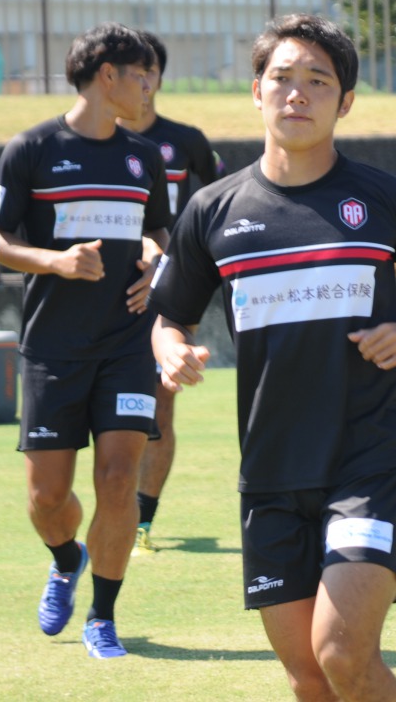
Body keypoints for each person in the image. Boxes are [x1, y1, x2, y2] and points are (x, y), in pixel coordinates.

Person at [151, 14, 396, 701]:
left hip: (368, 458)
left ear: (345, 101)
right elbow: (169, 316)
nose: (297, 93)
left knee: (342, 652)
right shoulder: (212, 210)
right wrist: (172, 350)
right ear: (256, 91)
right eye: (282, 78)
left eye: (318, 81)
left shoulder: (387, 200)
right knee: (308, 676)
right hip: (270, 470)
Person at [0, 22, 172, 660]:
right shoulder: (31, 148)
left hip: (127, 345)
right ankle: (67, 557)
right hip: (52, 348)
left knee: (119, 479)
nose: (148, 87)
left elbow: (159, 231)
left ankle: (102, 617)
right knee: (46, 498)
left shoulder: (144, 156)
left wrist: (155, 261)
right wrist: (56, 262)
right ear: (107, 75)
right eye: (140, 74)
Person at [116, 30, 224, 556]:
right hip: (102, 291)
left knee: (161, 408)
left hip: (170, 289)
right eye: (131, 70)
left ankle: (141, 521)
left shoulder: (185, 141)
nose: (142, 81)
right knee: (110, 413)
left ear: (159, 76)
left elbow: (221, 197)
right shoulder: (87, 144)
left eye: (150, 70)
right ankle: (109, 515)